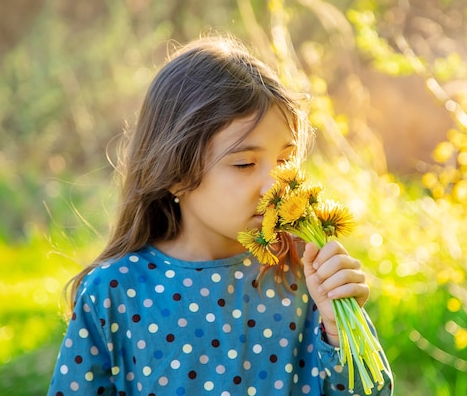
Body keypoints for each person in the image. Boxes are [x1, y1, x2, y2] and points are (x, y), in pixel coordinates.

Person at [47, 34, 393, 396]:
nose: (274, 185)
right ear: (176, 175)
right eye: (245, 163)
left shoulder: (304, 275)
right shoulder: (113, 292)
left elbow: (374, 391)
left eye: (284, 160)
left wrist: (339, 330)